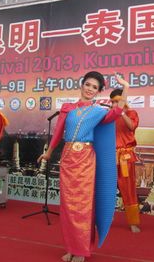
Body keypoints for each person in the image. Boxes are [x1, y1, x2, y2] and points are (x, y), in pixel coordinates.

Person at [38, 71, 129, 262]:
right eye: (88, 85)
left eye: (95, 87)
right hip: (68, 158)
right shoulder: (67, 108)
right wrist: (48, 152)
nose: (90, 89)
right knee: (68, 207)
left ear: (98, 92)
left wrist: (125, 88)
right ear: (82, 85)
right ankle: (71, 248)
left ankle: (81, 250)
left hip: (86, 160)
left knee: (83, 206)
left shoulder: (98, 111)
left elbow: (116, 113)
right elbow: (58, 132)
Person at [110, 88, 141, 233]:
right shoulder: (109, 116)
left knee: (128, 190)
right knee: (106, 189)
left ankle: (133, 222)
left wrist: (121, 111)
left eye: (118, 101)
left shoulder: (131, 113)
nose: (115, 104)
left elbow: (132, 126)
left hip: (125, 158)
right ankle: (104, 218)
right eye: (113, 102)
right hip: (109, 157)